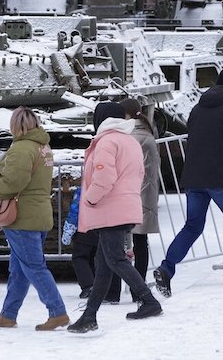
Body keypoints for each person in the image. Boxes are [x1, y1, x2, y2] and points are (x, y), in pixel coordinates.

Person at [153, 66, 223, 299]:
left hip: (194, 178)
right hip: (221, 178)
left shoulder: (197, 109)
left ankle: (167, 268)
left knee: (192, 226)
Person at [68, 102, 163, 334]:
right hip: (125, 206)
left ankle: (148, 300)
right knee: (104, 264)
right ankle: (89, 316)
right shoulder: (129, 140)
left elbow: (104, 176)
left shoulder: (107, 141)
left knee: (116, 260)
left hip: (110, 209)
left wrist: (89, 199)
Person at [0, 106, 70, 331]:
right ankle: (8, 314)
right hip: (37, 213)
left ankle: (58, 312)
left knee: (34, 267)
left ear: (16, 125)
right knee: (19, 268)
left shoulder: (21, 149)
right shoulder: (43, 147)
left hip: (22, 216)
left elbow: (14, 181)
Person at [119, 98, 160, 301]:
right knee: (140, 241)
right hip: (145, 192)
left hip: (135, 193)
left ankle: (136, 289)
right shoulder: (146, 132)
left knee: (131, 242)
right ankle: (139, 287)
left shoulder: (131, 135)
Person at [62, 187, 123, 303]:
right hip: (107, 225)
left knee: (80, 257)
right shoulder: (113, 187)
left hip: (86, 226)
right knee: (105, 257)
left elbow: (76, 208)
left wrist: (69, 227)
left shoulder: (86, 186)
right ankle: (111, 291)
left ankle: (88, 286)